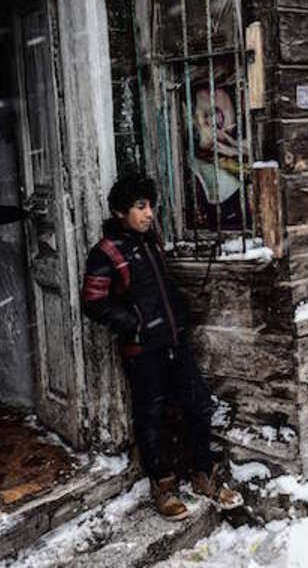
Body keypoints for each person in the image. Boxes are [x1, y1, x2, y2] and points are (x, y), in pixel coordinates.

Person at [81, 173, 243, 520]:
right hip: (142, 351)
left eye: (151, 205)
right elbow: (93, 302)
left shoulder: (149, 242)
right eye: (141, 207)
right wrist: (136, 324)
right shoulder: (106, 252)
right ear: (120, 211)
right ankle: (163, 485)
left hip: (173, 341)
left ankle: (204, 475)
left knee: (198, 404)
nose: (149, 213)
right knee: (150, 416)